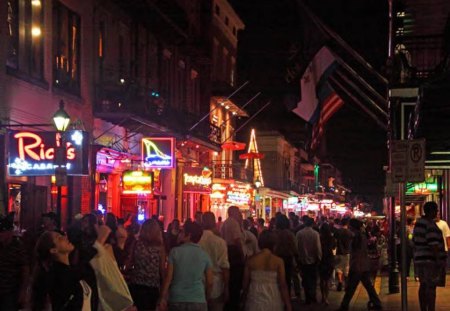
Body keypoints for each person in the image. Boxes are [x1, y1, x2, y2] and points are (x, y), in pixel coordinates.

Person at [159, 221, 213, 311]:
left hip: (177, 298)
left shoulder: (174, 252)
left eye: (182, 232)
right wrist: (206, 297)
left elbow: (168, 278)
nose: (180, 234)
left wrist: (162, 297)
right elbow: (210, 282)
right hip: (198, 299)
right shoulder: (204, 255)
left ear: (189, 235)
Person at [32, 231, 92, 310]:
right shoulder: (59, 276)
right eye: (59, 238)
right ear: (54, 250)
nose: (65, 237)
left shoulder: (68, 271)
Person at [336, 219, 382, 311]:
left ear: (352, 226)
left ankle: (344, 306)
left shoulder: (355, 237)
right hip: (363, 265)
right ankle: (377, 303)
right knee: (368, 286)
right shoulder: (362, 235)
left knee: (351, 288)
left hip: (357, 266)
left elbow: (354, 250)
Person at [241, 230, 292, 311]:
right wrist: (288, 304)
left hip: (255, 296)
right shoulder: (278, 261)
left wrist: (243, 300)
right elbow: (283, 285)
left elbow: (245, 284)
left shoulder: (251, 261)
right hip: (273, 295)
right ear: (274, 244)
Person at [413, 201, 447, 311]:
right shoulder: (430, 224)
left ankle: (423, 308)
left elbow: (414, 241)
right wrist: (438, 259)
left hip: (419, 259)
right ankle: (431, 308)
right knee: (431, 286)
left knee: (423, 285)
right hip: (429, 260)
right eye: (436, 210)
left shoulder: (418, 224)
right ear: (431, 211)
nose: (437, 212)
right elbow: (433, 244)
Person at [126, 219, 166, 311]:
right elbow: (162, 270)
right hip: (153, 286)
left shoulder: (136, 244)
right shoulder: (160, 248)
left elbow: (128, 263)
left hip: (137, 284)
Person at [199, 212, 230, 311]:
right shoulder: (220, 242)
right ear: (214, 223)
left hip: (198, 282)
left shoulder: (196, 240)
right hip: (216, 283)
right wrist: (226, 287)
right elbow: (224, 267)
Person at [0, 214, 29, 310]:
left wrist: (23, 292)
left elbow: (24, 269)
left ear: (10, 232)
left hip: (11, 291)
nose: (1, 234)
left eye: (2, 232)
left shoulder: (18, 246)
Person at [220, 206, 245, 310]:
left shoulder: (224, 223)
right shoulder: (234, 223)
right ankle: (233, 303)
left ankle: (228, 302)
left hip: (227, 250)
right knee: (236, 279)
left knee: (229, 279)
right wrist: (242, 254)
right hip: (234, 252)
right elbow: (237, 240)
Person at [296, 216, 321, 305]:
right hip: (313, 260)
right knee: (313, 279)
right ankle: (312, 296)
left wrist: (298, 258)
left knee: (305, 279)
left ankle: (307, 297)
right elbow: (318, 248)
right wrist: (319, 258)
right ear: (312, 224)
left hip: (302, 260)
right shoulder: (315, 234)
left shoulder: (299, 233)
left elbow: (297, 247)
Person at [319, 222, 336, 305]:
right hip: (329, 259)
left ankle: (323, 297)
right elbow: (334, 247)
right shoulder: (331, 238)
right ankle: (326, 298)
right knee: (327, 280)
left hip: (321, 259)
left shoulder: (319, 237)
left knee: (322, 279)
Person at [334, 217, 353, 291]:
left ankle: (340, 282)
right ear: (347, 224)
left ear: (341, 223)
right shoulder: (350, 233)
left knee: (339, 268)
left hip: (339, 252)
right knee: (346, 269)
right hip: (348, 252)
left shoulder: (337, 232)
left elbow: (334, 241)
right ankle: (346, 285)